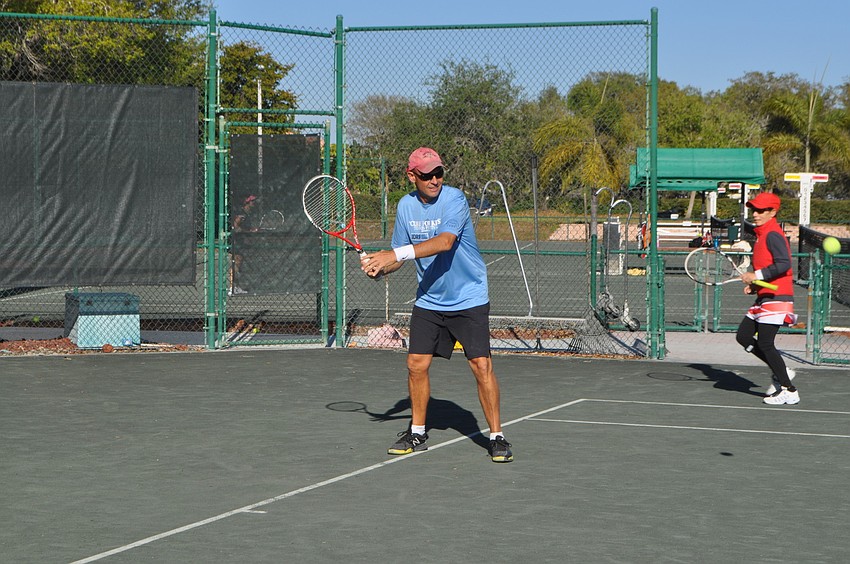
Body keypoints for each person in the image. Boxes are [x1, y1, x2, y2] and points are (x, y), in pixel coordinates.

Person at [361, 147, 513, 463]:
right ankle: (417, 431)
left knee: (480, 365)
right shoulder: (405, 207)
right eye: (427, 174)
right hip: (430, 300)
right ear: (412, 175)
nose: (434, 179)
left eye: (438, 172)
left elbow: (444, 242)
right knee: (416, 363)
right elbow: (397, 258)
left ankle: (497, 436)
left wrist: (395, 255)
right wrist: (378, 267)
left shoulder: (454, 200)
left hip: (469, 296)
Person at [736, 192, 798, 405]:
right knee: (744, 336)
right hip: (765, 295)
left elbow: (784, 264)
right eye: (754, 209)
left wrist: (757, 275)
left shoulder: (772, 234)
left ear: (773, 212)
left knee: (765, 343)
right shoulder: (762, 235)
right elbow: (768, 267)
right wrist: (755, 286)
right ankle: (783, 371)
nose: (756, 214)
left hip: (778, 296)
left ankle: (789, 389)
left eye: (761, 210)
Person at [230, 194, 260, 295]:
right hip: (236, 242)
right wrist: (249, 231)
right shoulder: (242, 214)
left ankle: (235, 287)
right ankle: (232, 287)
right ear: (247, 202)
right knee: (236, 263)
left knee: (238, 264)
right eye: (253, 201)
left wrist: (251, 230)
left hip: (240, 242)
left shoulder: (247, 214)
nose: (254, 203)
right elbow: (235, 227)